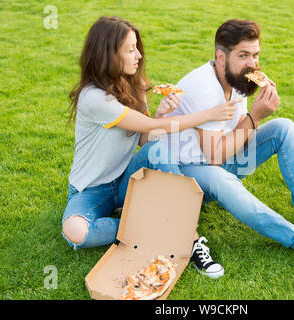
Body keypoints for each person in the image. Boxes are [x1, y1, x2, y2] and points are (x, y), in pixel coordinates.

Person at [162, 19, 294, 269]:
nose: (253, 63)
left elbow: (237, 133)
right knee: (222, 178)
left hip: (216, 162)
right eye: (244, 55)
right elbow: (215, 157)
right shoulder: (203, 87)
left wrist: (253, 115)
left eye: (256, 55)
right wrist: (255, 116)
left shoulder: (236, 80)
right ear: (221, 57)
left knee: (284, 128)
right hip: (186, 177)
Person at [61, 16, 236, 278]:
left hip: (124, 181)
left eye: (137, 47)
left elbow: (145, 138)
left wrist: (160, 114)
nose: (139, 55)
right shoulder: (94, 98)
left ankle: (190, 239)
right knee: (75, 232)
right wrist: (210, 114)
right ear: (108, 54)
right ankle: (154, 225)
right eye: (131, 49)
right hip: (90, 190)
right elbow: (151, 128)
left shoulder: (135, 86)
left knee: (158, 151)